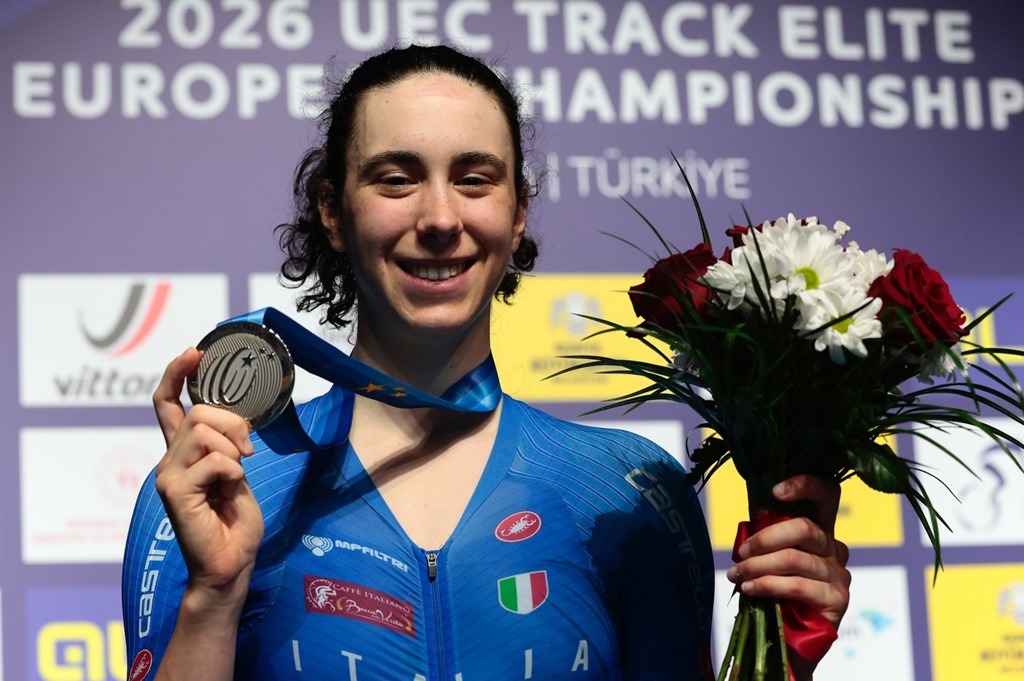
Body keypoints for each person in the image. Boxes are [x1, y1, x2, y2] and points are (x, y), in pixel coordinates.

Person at [122, 44, 850, 680]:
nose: (441, 218)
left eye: (474, 178)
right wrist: (213, 597)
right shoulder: (222, 487)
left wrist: (787, 651)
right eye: (396, 178)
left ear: (518, 212)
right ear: (334, 212)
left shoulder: (629, 492)